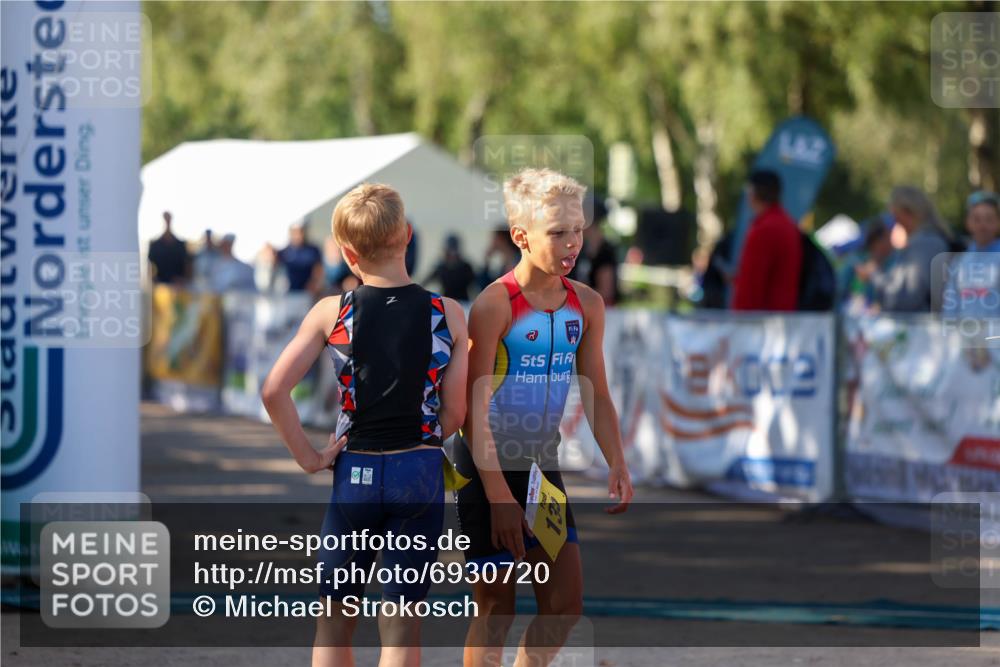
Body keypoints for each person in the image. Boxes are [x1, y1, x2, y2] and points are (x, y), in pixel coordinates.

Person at [262, 183, 469, 667]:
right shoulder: (448, 314)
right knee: (400, 626)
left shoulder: (332, 312)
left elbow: (274, 390)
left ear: (348, 253)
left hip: (353, 470)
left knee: (334, 619)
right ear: (408, 236)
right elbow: (455, 415)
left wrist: (309, 457)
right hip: (417, 472)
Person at [455, 168, 633, 667]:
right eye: (557, 232)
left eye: (577, 229)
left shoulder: (588, 304)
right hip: (484, 467)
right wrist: (497, 495)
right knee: (496, 606)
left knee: (563, 605)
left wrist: (617, 459)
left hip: (539, 467)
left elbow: (595, 391)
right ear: (521, 236)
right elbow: (472, 409)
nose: (572, 242)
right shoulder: (495, 304)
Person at [863, 185, 954, 312]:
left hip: (922, 327)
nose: (895, 221)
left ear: (907, 212)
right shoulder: (927, 240)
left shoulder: (926, 243)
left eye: (895, 216)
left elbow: (907, 298)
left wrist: (874, 275)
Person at [731, 170, 803, 311]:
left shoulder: (765, 228)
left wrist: (739, 322)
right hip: (781, 316)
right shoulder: (786, 223)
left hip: (761, 321)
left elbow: (751, 285)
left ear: (754, 193)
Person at [942, 190, 1000, 326]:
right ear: (968, 223)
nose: (982, 225)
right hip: (964, 342)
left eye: (989, 219)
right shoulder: (959, 262)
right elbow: (950, 307)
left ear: (998, 222)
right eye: (977, 219)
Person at [424, 234, 477, 301]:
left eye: (454, 251)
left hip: (463, 302)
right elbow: (425, 282)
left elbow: (477, 285)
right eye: (449, 251)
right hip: (446, 302)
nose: (452, 255)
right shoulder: (440, 267)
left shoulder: (466, 267)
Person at [277, 222, 324, 293]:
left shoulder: (313, 250)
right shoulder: (284, 252)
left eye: (300, 231)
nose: (298, 235)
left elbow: (318, 269)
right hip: (289, 293)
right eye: (295, 232)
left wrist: (315, 282)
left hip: (308, 292)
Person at [147, 211, 190, 285]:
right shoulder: (155, 245)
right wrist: (155, 280)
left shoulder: (180, 244)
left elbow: (187, 266)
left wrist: (182, 280)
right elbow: (150, 266)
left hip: (178, 287)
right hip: (160, 287)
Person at [478, 225, 521, 289]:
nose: (492, 242)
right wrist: (487, 261)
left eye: (495, 239)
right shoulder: (504, 263)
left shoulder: (518, 262)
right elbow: (486, 286)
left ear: (502, 240)